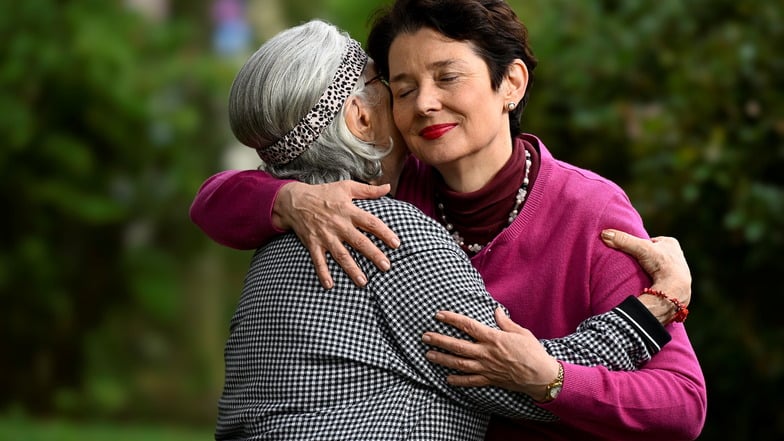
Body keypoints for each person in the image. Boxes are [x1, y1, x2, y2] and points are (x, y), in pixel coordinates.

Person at [193, 1, 707, 439]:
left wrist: (560, 379)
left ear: (511, 82)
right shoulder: (370, 209)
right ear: (365, 113)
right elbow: (213, 202)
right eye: (401, 86)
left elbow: (680, 404)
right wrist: (293, 200)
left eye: (447, 76)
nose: (425, 103)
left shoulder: (591, 212)